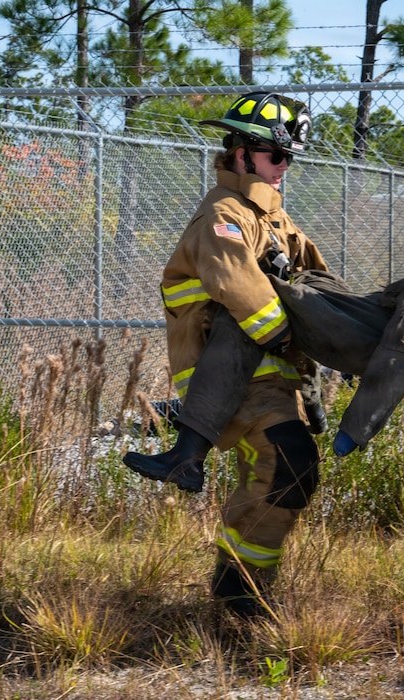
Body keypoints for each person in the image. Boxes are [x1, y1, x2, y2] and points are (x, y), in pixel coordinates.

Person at [122, 92, 329, 618]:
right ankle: (240, 595)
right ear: (242, 152)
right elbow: (240, 290)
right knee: (291, 466)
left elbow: (318, 281)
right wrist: (293, 336)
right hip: (229, 380)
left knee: (274, 474)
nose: (285, 168)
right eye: (276, 156)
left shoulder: (273, 219)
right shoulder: (225, 215)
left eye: (290, 158)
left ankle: (236, 590)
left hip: (268, 378)